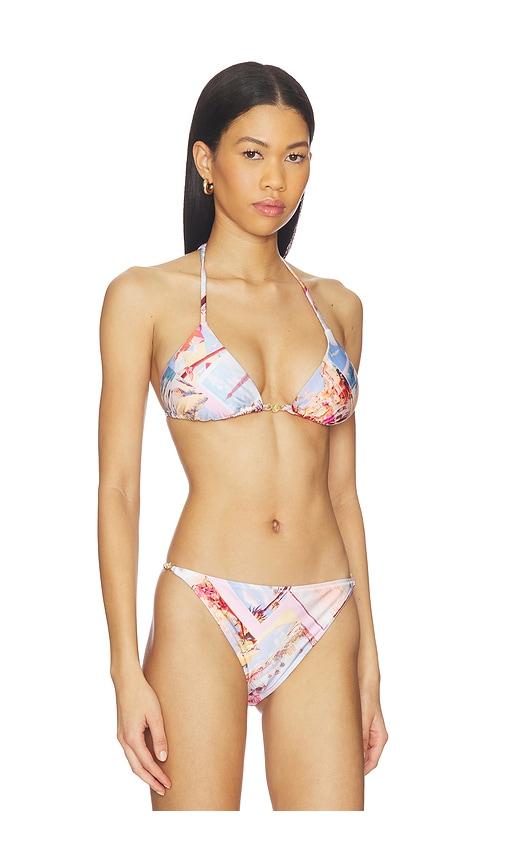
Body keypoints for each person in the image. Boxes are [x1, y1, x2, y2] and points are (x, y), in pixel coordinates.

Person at [97, 61, 388, 811]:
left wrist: (370, 662)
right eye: (252, 153)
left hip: (325, 608)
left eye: (295, 156)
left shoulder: (338, 307)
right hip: (205, 603)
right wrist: (124, 669)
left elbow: (343, 494)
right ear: (206, 161)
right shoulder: (146, 296)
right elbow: (119, 489)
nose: (275, 180)